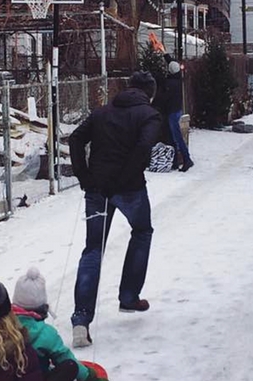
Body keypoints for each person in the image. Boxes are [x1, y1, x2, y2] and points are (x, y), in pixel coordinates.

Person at [68, 71, 161, 348]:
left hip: (97, 190)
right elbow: (144, 146)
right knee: (142, 231)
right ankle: (129, 296)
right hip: (130, 189)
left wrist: (85, 178)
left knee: (93, 248)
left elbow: (74, 139)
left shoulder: (102, 112)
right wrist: (122, 180)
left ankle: (81, 320)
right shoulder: (149, 115)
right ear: (150, 92)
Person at [12, 267, 111, 381]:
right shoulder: (45, 333)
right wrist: (93, 380)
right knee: (68, 366)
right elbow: (64, 357)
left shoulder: (0, 326)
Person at [162, 58, 194, 172]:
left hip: (172, 112)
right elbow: (172, 63)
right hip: (177, 110)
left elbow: (165, 98)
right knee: (173, 136)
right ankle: (175, 162)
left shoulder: (170, 83)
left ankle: (187, 159)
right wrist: (165, 54)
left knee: (177, 137)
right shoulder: (179, 78)